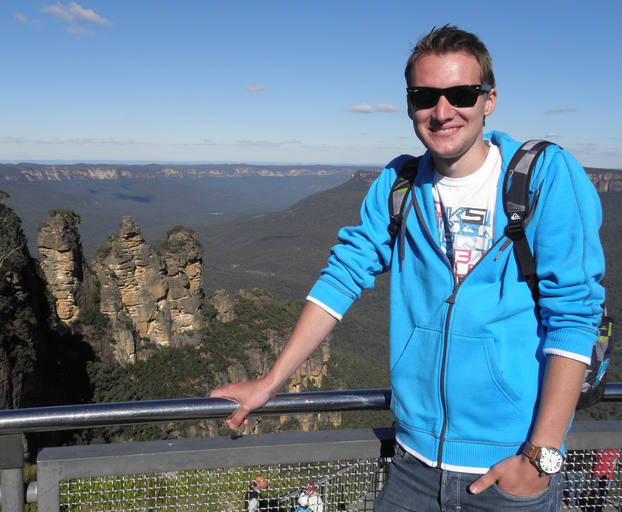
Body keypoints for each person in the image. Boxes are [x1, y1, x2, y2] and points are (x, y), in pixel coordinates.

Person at [211, 24, 605, 512]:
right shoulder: (398, 185)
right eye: (425, 95)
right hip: (412, 465)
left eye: (461, 93)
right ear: (409, 102)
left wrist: (538, 459)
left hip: (509, 466)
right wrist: (271, 381)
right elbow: (342, 276)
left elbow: (574, 314)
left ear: (490, 99)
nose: (442, 112)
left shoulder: (544, 176)